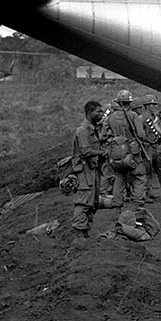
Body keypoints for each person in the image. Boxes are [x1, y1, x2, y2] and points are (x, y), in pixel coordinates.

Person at [105, 90, 150, 212]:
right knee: (140, 177)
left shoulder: (111, 117)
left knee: (119, 177)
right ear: (129, 102)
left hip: (116, 153)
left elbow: (103, 136)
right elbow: (140, 135)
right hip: (132, 152)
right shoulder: (133, 116)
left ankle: (118, 204)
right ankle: (138, 205)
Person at [69, 100, 109, 238]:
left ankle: (85, 230)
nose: (101, 114)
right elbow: (86, 151)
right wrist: (103, 152)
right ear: (89, 112)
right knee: (83, 201)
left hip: (92, 169)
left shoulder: (94, 128)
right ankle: (79, 232)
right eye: (98, 111)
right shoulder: (83, 131)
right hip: (84, 171)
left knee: (93, 202)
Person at [141, 94, 161, 200]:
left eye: (154, 104)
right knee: (147, 172)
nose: (154, 106)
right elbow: (141, 134)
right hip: (147, 147)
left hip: (156, 147)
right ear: (146, 106)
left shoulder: (155, 118)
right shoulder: (142, 118)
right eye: (151, 104)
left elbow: (160, 130)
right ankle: (146, 194)